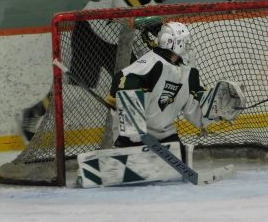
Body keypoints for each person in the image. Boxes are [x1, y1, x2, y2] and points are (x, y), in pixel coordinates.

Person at [20, 0, 174, 142]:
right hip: (91, 31)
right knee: (79, 84)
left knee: (135, 81)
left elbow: (135, 30)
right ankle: (34, 112)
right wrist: (147, 21)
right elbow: (125, 12)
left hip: (115, 43)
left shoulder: (151, 5)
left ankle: (134, 133)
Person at [105, 22, 245, 154]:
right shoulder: (151, 64)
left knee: (182, 159)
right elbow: (122, 79)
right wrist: (131, 121)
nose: (188, 45)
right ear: (174, 43)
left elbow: (194, 108)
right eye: (185, 41)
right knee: (135, 153)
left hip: (165, 135)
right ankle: (125, 149)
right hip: (136, 137)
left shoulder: (188, 72)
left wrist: (214, 110)